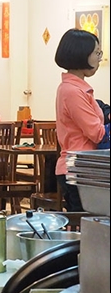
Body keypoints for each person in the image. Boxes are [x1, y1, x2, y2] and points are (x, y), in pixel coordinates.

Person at [54, 28, 108, 212]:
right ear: (81, 54)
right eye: (96, 52)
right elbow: (97, 134)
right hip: (79, 170)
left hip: (85, 168)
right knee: (85, 228)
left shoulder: (77, 89)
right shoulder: (72, 91)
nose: (99, 58)